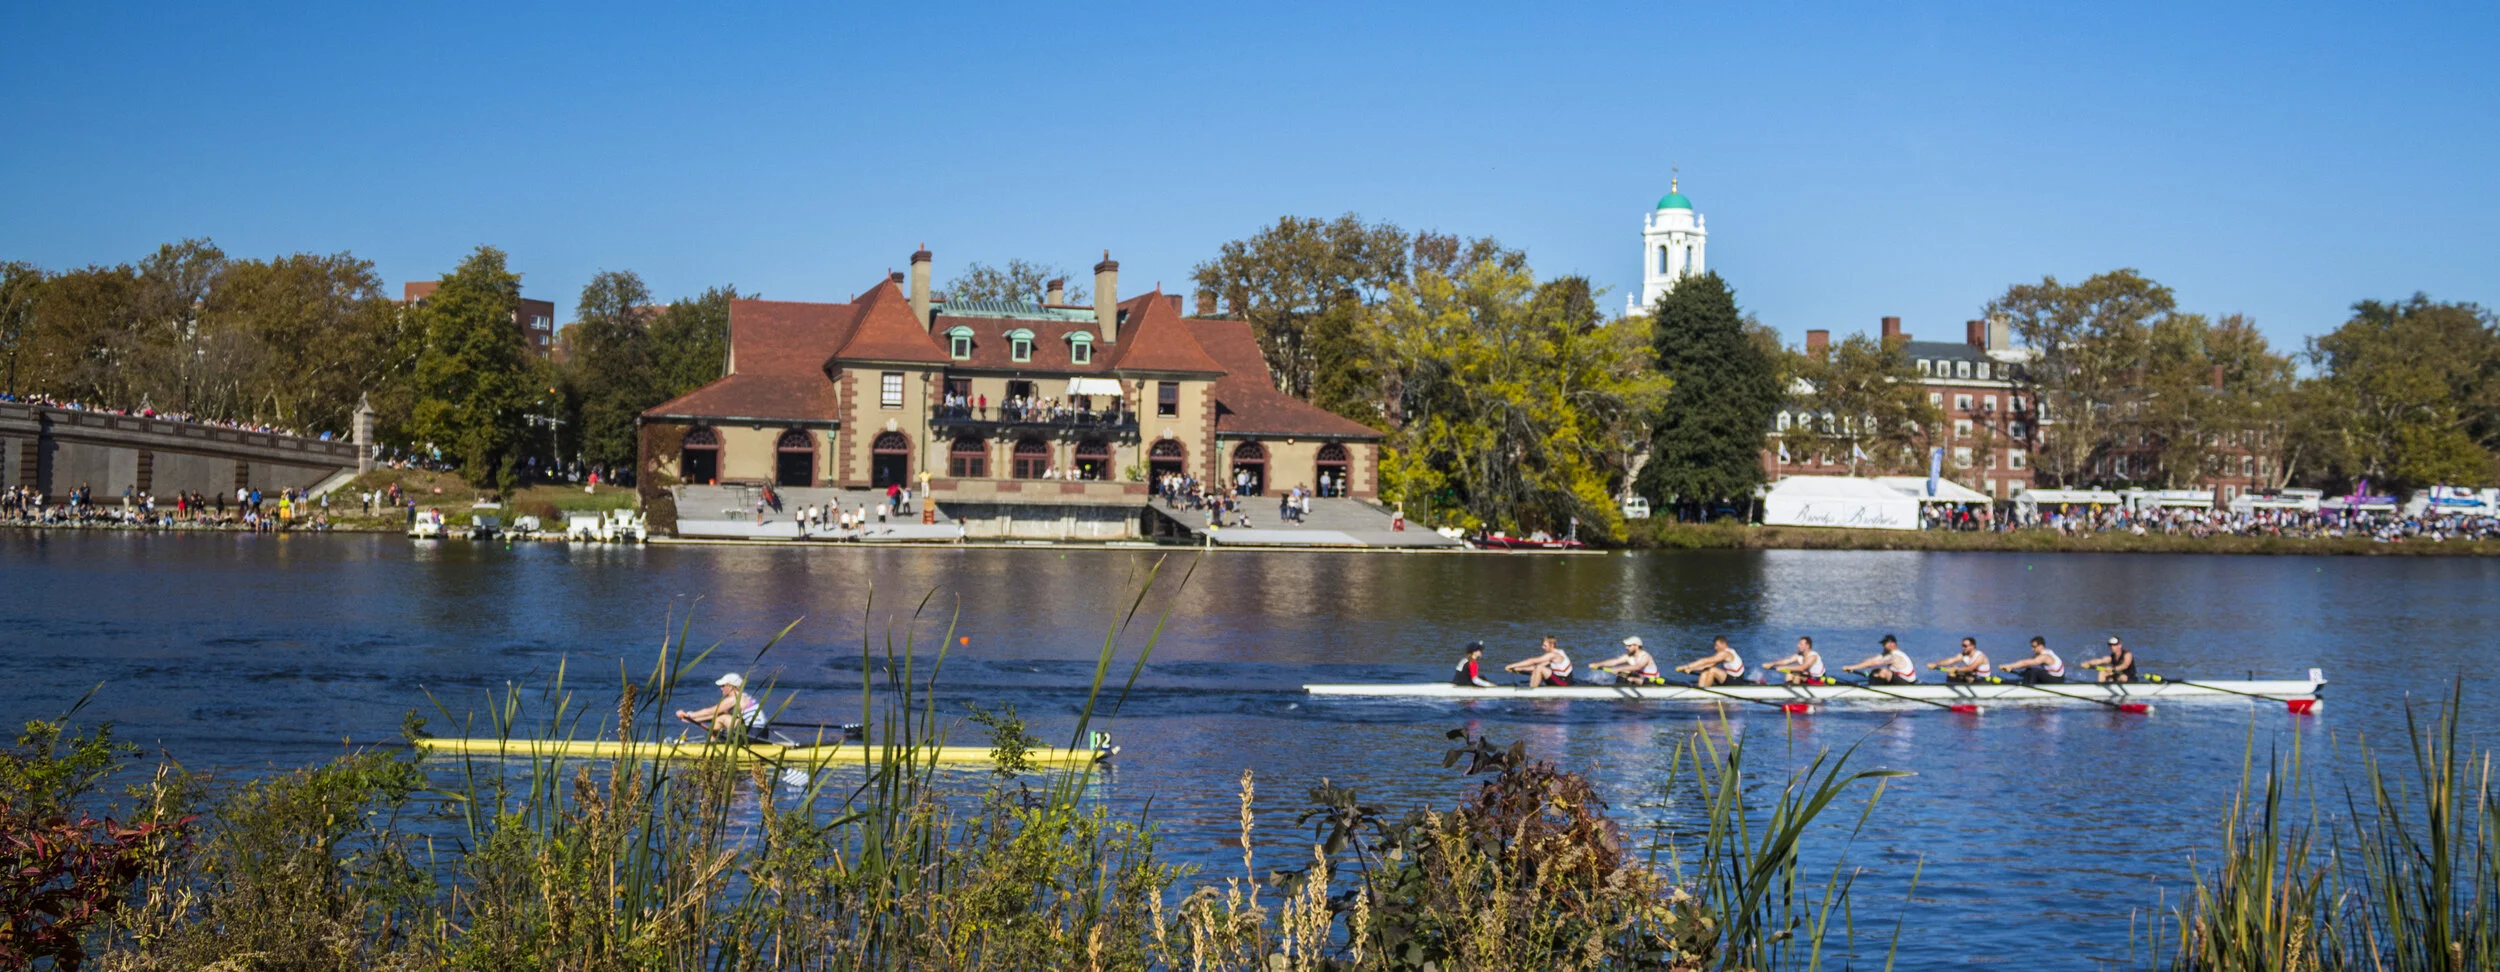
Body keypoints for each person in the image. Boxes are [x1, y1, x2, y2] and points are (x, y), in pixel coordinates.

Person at [675, 672, 766, 739]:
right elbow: (716, 715)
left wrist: (689, 715)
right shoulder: (744, 696)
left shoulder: (734, 699)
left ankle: (712, 745)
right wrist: (693, 720)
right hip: (761, 733)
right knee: (723, 716)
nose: (721, 688)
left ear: (730, 686)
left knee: (721, 719)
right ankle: (717, 742)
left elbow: (711, 711)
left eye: (723, 685)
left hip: (753, 733)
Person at [1675, 636, 1747, 687]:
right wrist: (1691, 669)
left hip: (1736, 681)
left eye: (1716, 645)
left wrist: (1686, 666)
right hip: (1730, 678)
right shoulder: (1722, 654)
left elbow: (1705, 661)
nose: (1715, 648)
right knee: (1707, 670)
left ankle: (1705, 691)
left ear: (1723, 644)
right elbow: (1708, 665)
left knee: (1712, 670)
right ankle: (1700, 688)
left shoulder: (1726, 654)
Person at [1843, 635, 1918, 684]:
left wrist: (1851, 667)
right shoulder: (1889, 654)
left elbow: (1871, 664)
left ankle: (1877, 689)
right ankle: (1875, 685)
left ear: (1892, 645)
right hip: (1901, 681)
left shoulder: (1894, 656)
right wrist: (1853, 667)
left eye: (1884, 644)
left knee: (1884, 672)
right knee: (1875, 671)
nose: (1883, 647)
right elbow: (1870, 660)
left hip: (1908, 683)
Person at [1590, 636, 1664, 685]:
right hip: (1639, 678)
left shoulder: (1645, 656)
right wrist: (1597, 665)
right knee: (1622, 673)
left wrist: (1619, 668)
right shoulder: (1629, 656)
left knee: (1628, 676)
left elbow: (1638, 667)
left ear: (1637, 646)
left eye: (1629, 646)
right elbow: (1614, 662)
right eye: (1626, 646)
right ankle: (1617, 688)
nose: (1626, 647)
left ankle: (1625, 685)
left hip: (1651, 681)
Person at [1504, 636, 1573, 687]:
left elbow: (1533, 661)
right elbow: (1535, 667)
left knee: (1540, 668)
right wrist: (1517, 669)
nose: (1542, 647)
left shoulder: (1553, 655)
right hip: (1561, 680)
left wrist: (1511, 665)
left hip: (1564, 683)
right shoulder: (1558, 652)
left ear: (1551, 645)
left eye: (1544, 645)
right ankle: (1532, 688)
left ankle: (1532, 691)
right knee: (1539, 668)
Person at [1999, 636, 2067, 684]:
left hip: (2057, 680)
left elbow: (2025, 663)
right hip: (2053, 677)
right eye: (2032, 647)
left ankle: (2027, 688)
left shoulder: (2045, 656)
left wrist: (2009, 666)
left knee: (2034, 671)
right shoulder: (2044, 652)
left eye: (2034, 647)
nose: (2032, 649)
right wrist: (2010, 668)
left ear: (2041, 646)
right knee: (2029, 670)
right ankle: (2027, 683)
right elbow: (2026, 662)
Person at [1763, 636, 1830, 685]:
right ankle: (1789, 691)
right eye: (1798, 644)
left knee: (1797, 675)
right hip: (1807, 678)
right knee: (1789, 673)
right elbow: (1786, 661)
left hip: (1818, 681)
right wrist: (1771, 664)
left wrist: (1784, 668)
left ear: (1807, 646)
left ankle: (1795, 697)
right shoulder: (1799, 655)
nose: (1798, 646)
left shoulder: (1813, 656)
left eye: (1801, 644)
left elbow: (1802, 668)